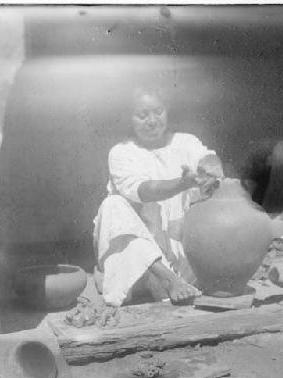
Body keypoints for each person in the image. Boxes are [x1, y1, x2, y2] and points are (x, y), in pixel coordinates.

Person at [92, 88, 224, 307]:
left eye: (158, 112)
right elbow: (144, 191)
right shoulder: (122, 152)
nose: (152, 121)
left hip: (177, 251)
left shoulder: (186, 142)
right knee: (112, 206)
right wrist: (183, 183)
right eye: (142, 115)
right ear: (129, 119)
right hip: (136, 259)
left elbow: (206, 158)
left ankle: (175, 282)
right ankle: (168, 279)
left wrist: (211, 166)